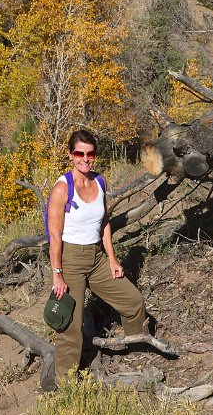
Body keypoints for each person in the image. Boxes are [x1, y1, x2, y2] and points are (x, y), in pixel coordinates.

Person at [47, 129, 146, 382]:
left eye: (90, 153)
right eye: (79, 153)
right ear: (70, 154)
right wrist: (57, 275)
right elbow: (55, 237)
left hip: (97, 257)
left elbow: (104, 223)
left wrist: (112, 259)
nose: (85, 158)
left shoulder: (100, 181)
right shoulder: (62, 188)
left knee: (133, 301)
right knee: (70, 326)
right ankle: (66, 385)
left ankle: (136, 352)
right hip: (70, 260)